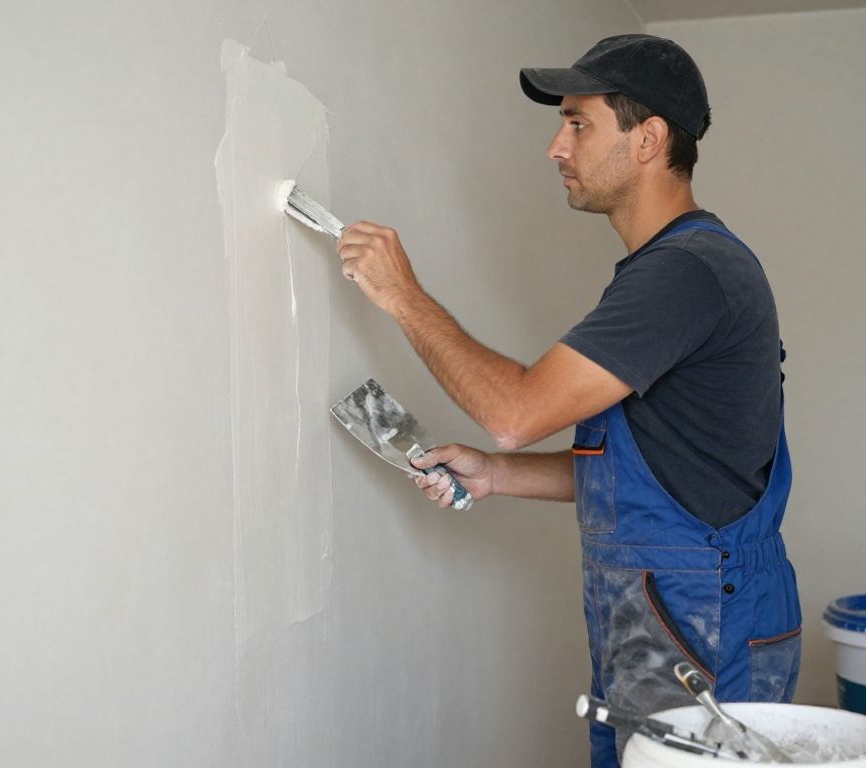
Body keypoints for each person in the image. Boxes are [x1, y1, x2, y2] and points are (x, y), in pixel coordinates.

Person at [335, 34, 800, 768]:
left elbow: (514, 414)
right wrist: (497, 474)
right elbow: (656, 474)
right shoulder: (669, 270)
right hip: (673, 614)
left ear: (648, 140)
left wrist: (402, 295)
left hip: (706, 619)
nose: (556, 147)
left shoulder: (686, 273)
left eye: (578, 123)